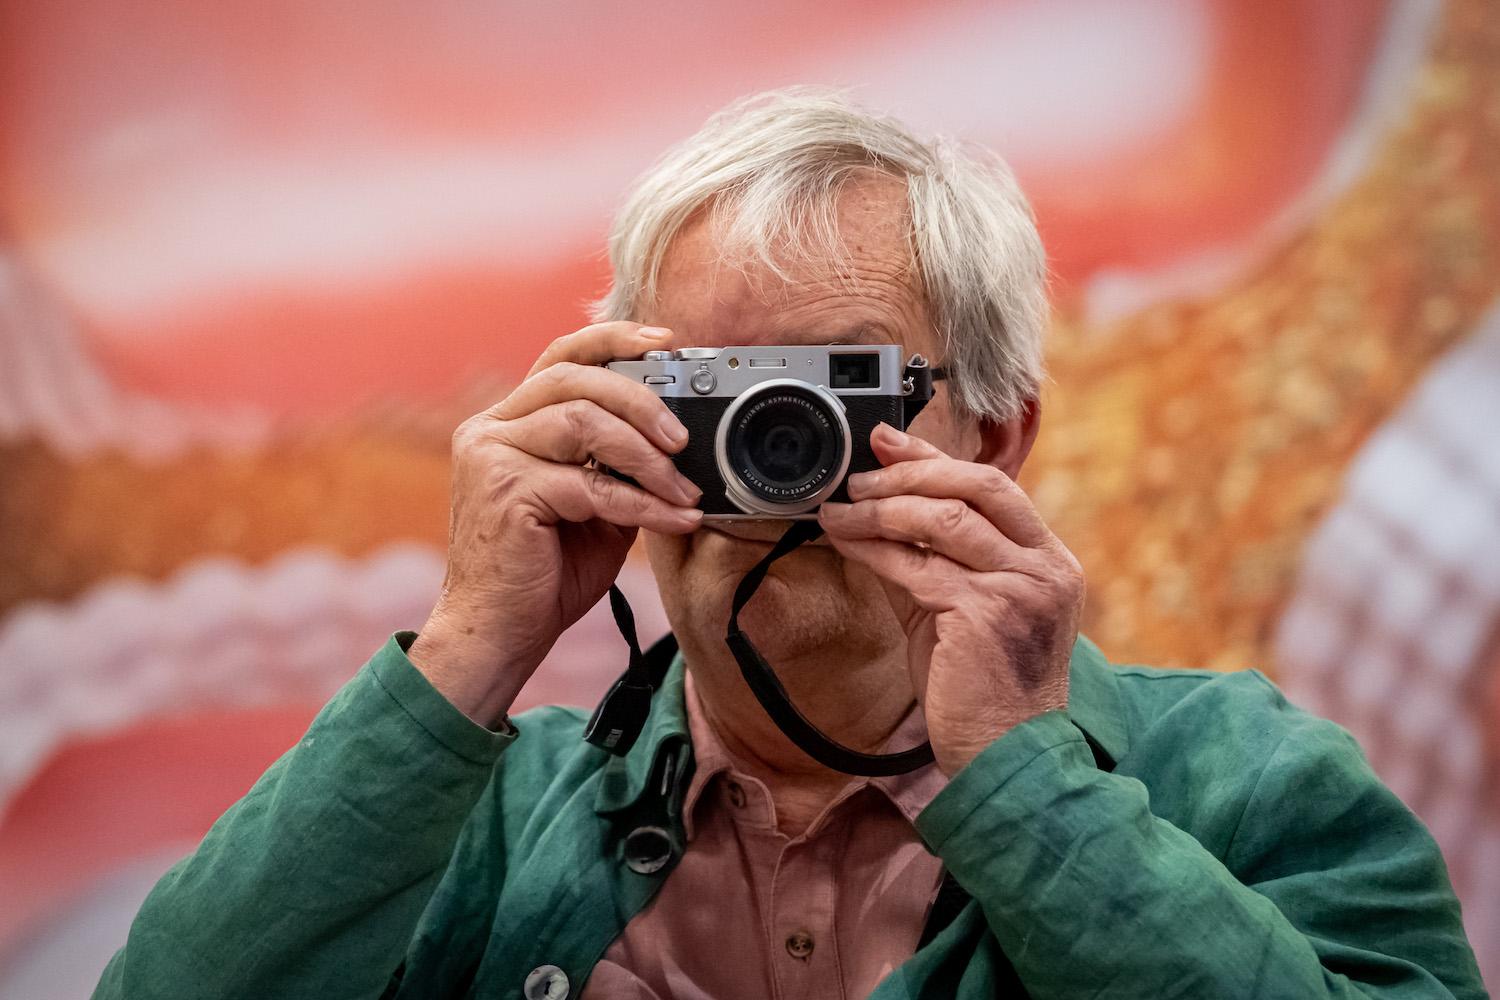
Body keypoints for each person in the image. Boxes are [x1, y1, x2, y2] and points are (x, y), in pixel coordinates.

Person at [94, 89, 1485, 1000]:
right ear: (616, 421)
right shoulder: (483, 829)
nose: (777, 460)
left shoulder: (1249, 789)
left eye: (836, 393)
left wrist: (1027, 792)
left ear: (993, 435)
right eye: (714, 402)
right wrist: (469, 645)